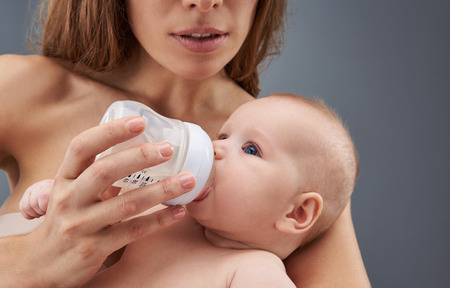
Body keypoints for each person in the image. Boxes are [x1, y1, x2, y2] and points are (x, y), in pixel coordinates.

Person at [0, 1, 370, 287]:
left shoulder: (309, 159)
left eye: (251, 149)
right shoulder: (23, 91)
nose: (205, 2)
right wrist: (29, 262)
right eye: (222, 136)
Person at [19, 94, 359, 287]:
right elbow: (86, 227)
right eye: (224, 136)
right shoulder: (162, 215)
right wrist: (55, 195)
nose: (215, 148)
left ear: (296, 213)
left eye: (251, 149)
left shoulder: (254, 271)